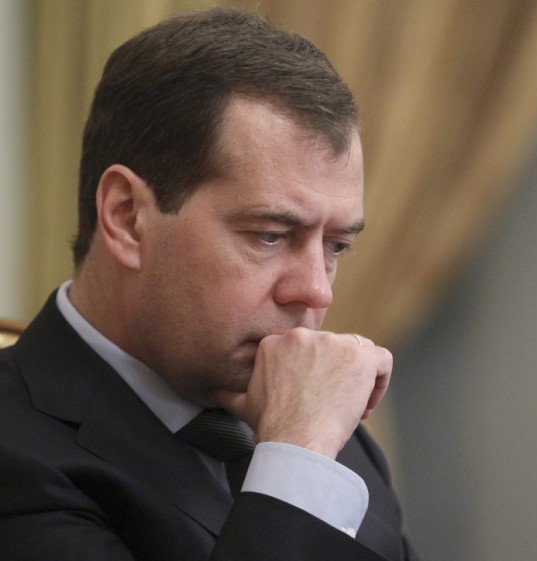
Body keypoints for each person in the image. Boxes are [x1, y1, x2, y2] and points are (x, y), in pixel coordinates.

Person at [0, 7, 420, 560]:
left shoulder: (329, 433)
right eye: (270, 235)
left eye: (336, 246)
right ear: (127, 217)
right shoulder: (16, 453)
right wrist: (297, 460)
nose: (317, 292)